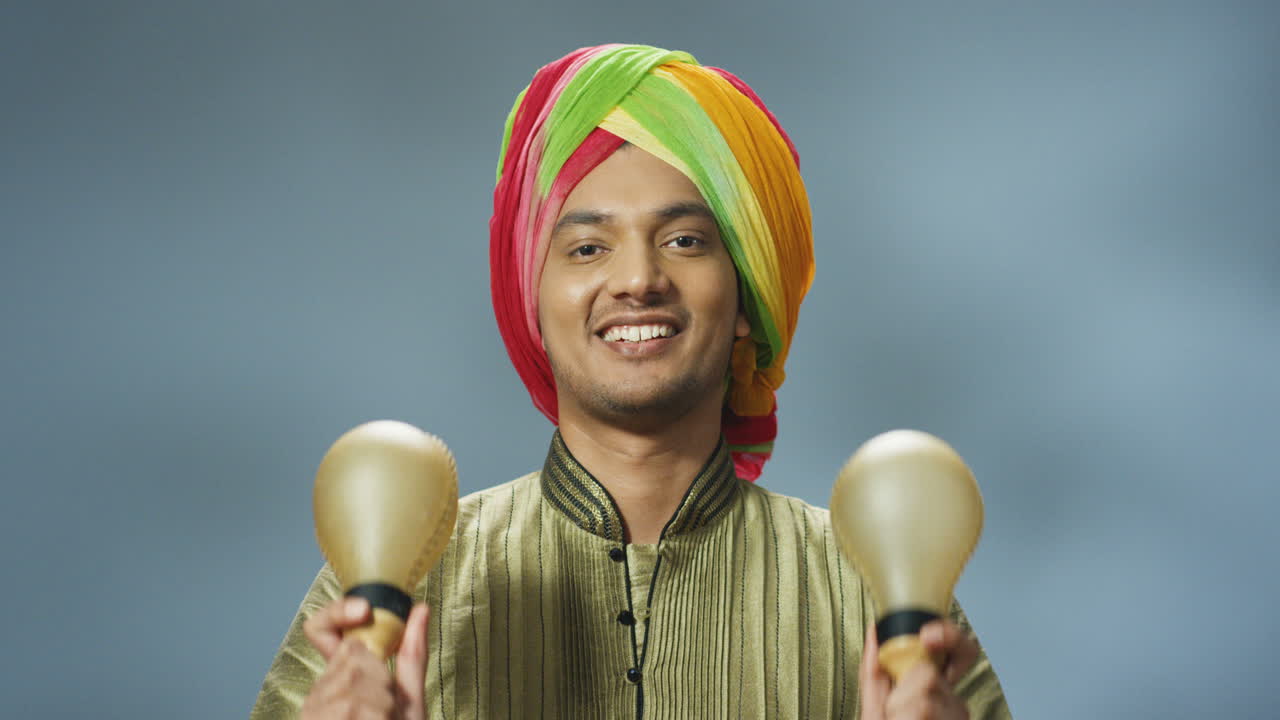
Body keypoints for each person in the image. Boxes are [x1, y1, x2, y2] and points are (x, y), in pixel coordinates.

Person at [251, 44, 1011, 719]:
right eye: (587, 248)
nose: (639, 279)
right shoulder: (392, 582)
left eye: (684, 241)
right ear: (532, 301)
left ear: (746, 299)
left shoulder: (879, 592)